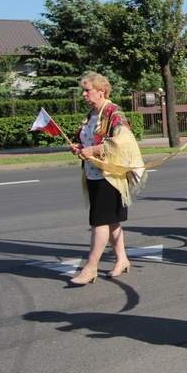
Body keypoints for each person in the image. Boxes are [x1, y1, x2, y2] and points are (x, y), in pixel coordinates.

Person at [68, 72, 145, 286]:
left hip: (110, 175)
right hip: (93, 173)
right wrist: (79, 148)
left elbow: (123, 142)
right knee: (111, 220)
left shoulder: (114, 113)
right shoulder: (90, 114)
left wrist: (93, 149)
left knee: (99, 221)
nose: (83, 94)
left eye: (87, 90)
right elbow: (86, 138)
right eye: (83, 90)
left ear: (101, 91)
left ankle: (90, 268)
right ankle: (122, 259)